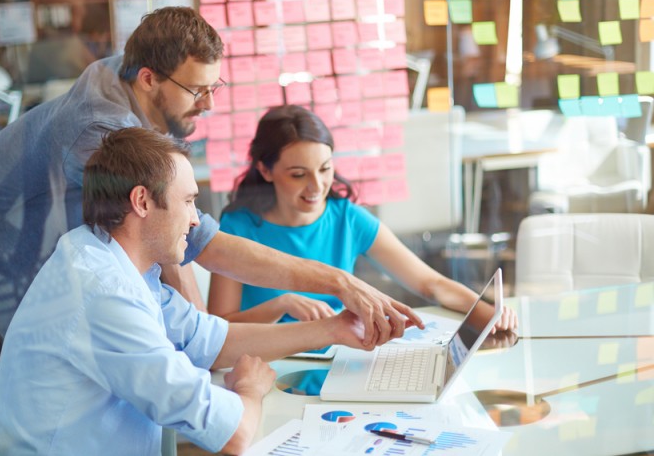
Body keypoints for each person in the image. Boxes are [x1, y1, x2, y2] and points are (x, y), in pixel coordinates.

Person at [0, 7, 421, 387]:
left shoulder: (135, 78)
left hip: (17, 242)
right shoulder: (99, 130)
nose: (210, 104)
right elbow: (193, 240)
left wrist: (202, 342)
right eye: (199, 91)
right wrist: (337, 280)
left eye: (215, 87)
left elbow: (180, 232)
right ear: (149, 78)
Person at [0, 127, 372, 455]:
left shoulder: (107, 258)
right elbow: (232, 435)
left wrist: (334, 330)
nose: (194, 219)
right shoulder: (103, 292)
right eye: (188, 201)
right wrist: (250, 391)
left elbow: (211, 340)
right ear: (141, 201)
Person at [207, 105, 517, 332]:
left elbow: (430, 283)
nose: (317, 187)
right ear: (265, 170)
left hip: (341, 359)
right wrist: (281, 304)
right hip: (271, 367)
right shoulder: (238, 228)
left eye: (325, 169)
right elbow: (218, 328)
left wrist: (489, 313)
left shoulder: (347, 218)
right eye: (298, 174)